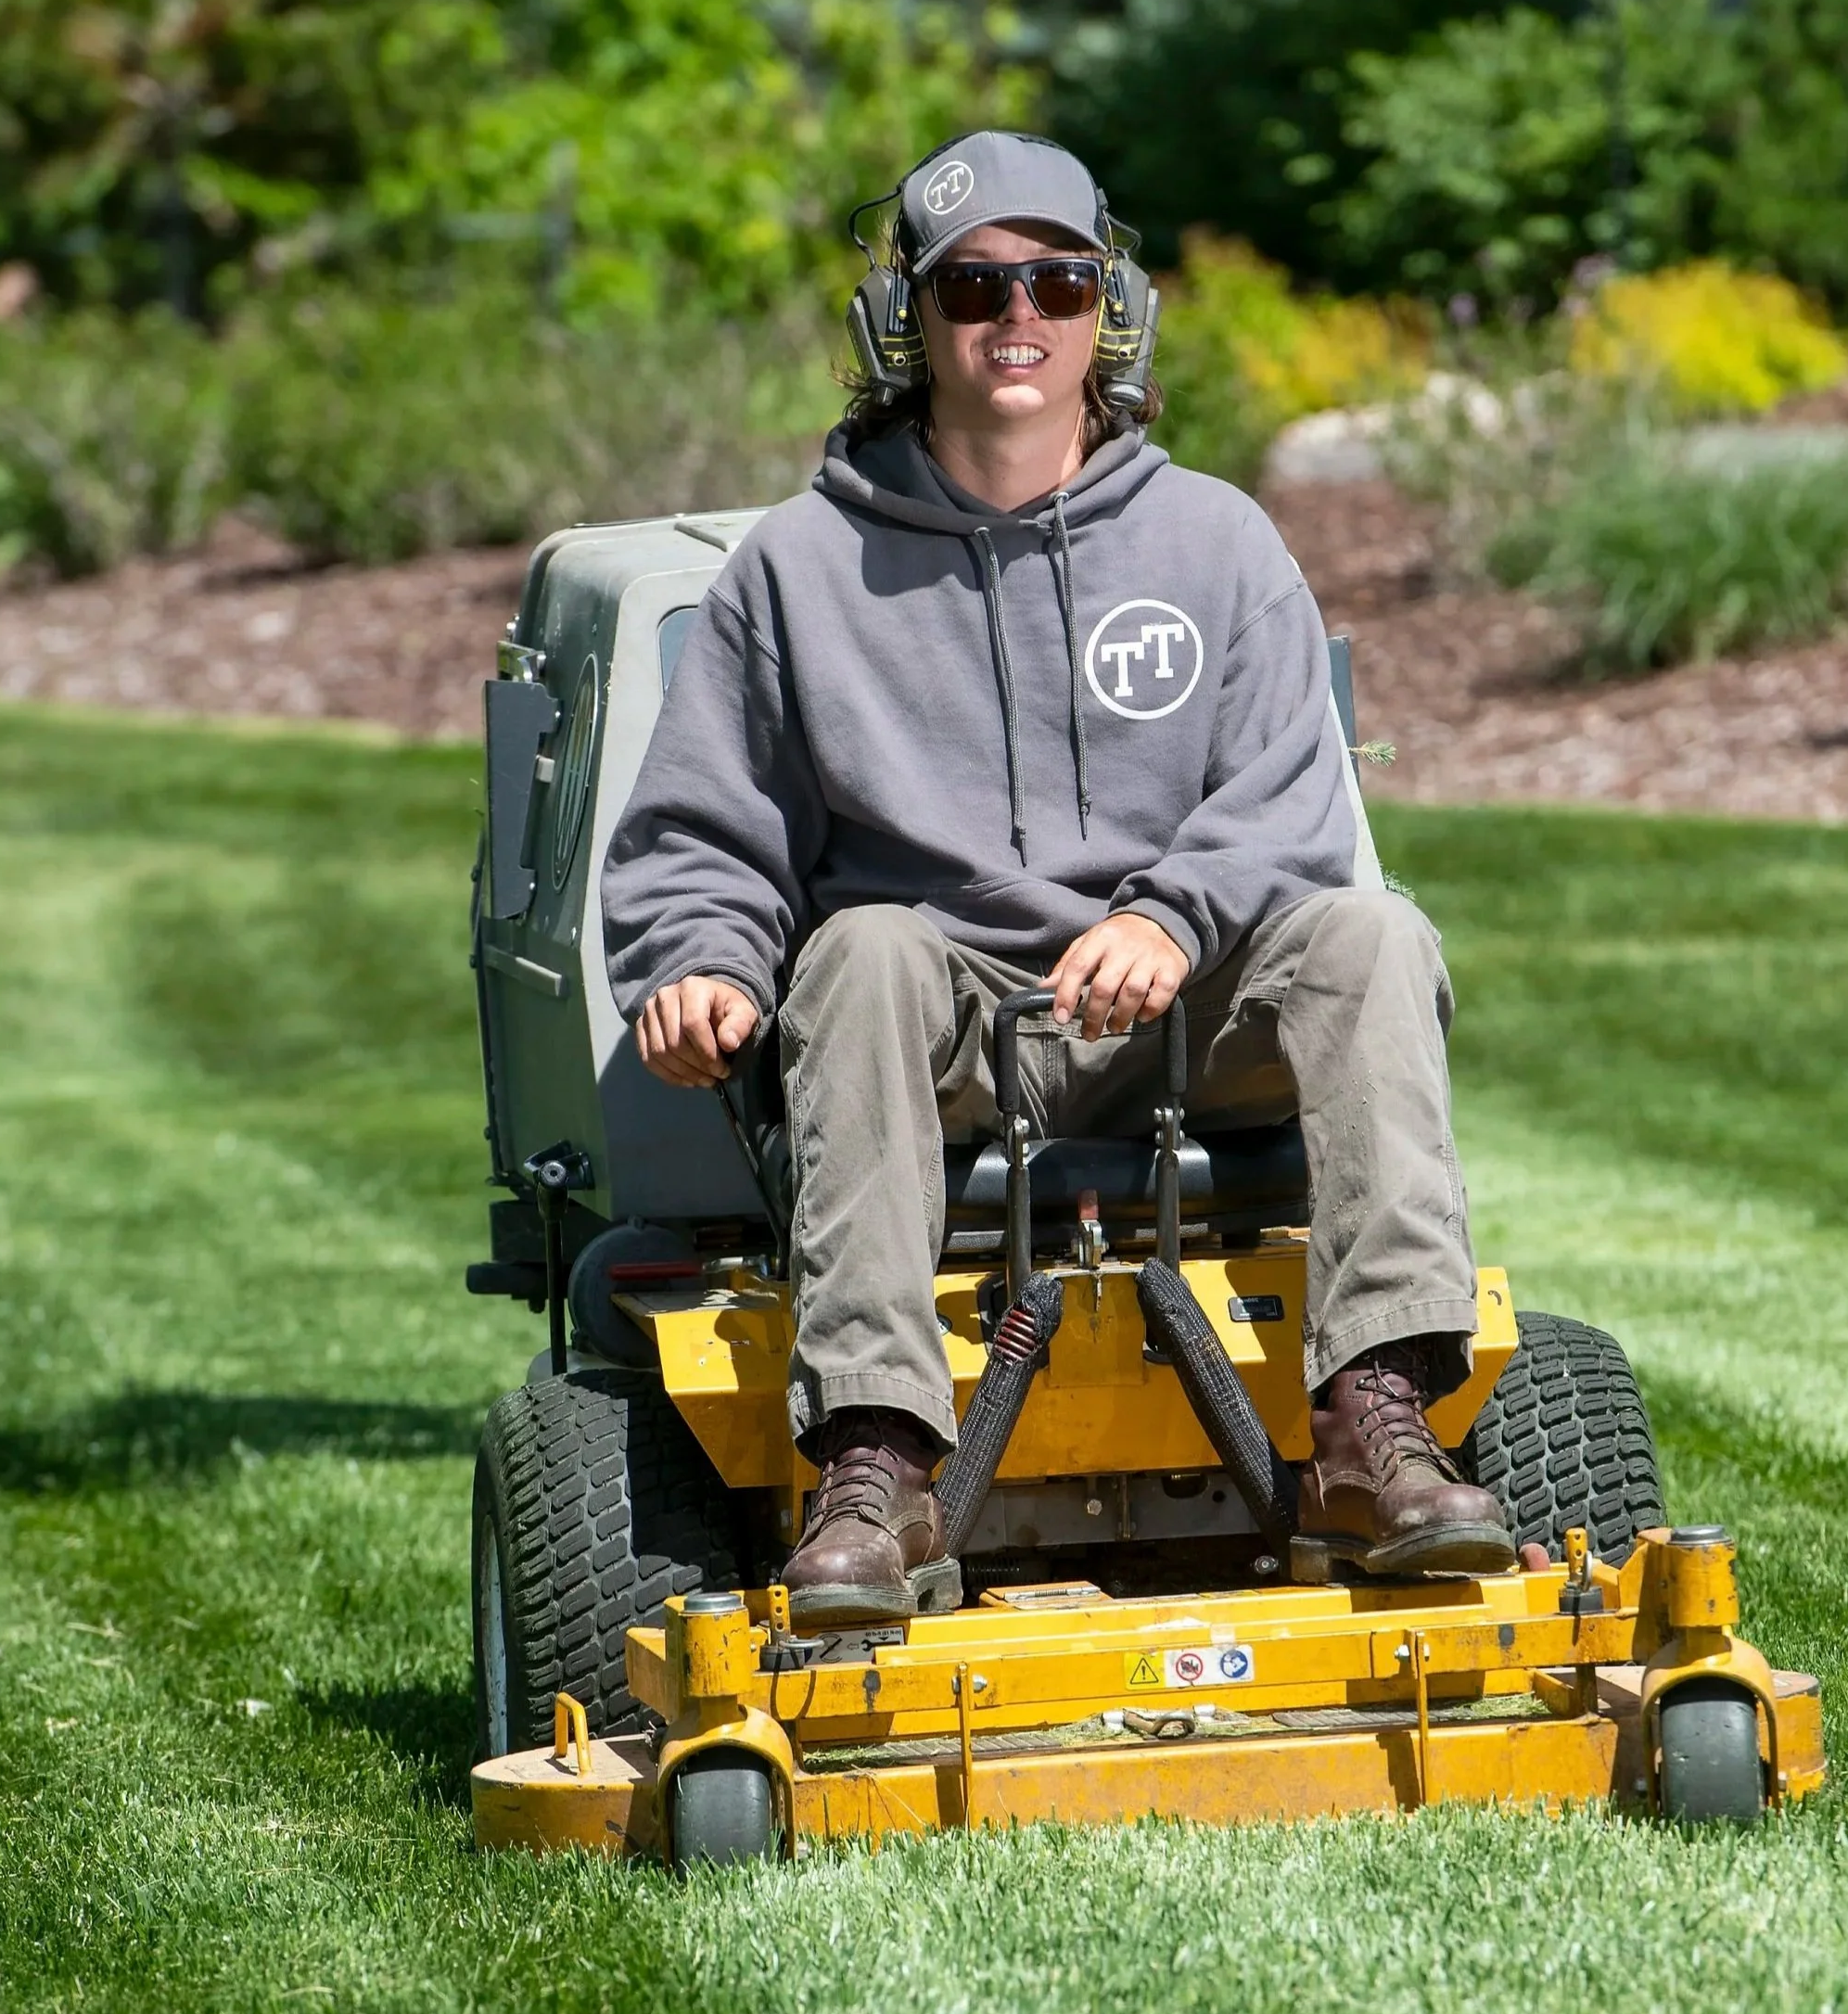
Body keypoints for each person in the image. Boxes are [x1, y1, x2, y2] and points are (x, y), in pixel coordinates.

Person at [601, 130, 1512, 1625]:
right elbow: (707, 829)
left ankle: (1373, 1426)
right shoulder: (795, 572)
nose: (1016, 316)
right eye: (974, 286)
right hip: (943, 1028)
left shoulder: (1218, 542)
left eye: (1056, 280)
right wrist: (698, 957)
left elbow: (1292, 789)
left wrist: (1173, 912)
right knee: (867, 945)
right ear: (909, 320)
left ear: (1114, 311)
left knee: (1369, 934)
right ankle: (880, 1467)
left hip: (1178, 1024)